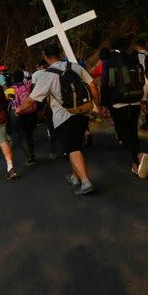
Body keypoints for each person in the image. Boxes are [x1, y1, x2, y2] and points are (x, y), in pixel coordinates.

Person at [17, 42, 100, 195]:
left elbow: (32, 99)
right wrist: (97, 105)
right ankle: (76, 177)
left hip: (63, 117)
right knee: (75, 145)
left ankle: (86, 182)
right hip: (82, 113)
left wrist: (19, 109)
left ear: (45, 57)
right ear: (60, 53)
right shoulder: (74, 67)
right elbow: (92, 85)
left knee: (72, 148)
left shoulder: (47, 75)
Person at [101, 38, 148, 179]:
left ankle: (139, 156)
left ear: (112, 48)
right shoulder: (133, 58)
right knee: (133, 133)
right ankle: (136, 166)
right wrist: (142, 100)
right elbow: (144, 81)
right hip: (135, 101)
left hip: (118, 103)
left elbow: (105, 84)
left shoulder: (109, 61)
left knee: (122, 134)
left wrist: (104, 104)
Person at [8, 70, 37, 166]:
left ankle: (30, 158)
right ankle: (32, 154)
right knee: (29, 134)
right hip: (32, 113)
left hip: (18, 114)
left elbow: (8, 101)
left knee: (23, 136)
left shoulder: (10, 89)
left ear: (13, 78)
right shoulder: (28, 86)